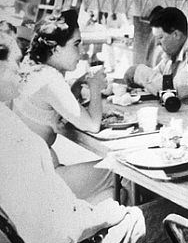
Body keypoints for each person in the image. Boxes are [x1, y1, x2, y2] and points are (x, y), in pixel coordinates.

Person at [0, 30, 181, 243]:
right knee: (182, 215)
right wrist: (104, 216)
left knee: (128, 199)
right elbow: (54, 236)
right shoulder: (10, 142)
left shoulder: (5, 119)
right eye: (15, 62)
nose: (20, 70)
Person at [13, 10, 115, 204]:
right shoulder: (50, 78)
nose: (82, 52)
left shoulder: (32, 67)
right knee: (120, 175)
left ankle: (91, 227)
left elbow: (52, 108)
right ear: (56, 49)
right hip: (43, 180)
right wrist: (95, 88)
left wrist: (76, 86)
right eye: (76, 44)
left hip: (28, 176)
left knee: (113, 194)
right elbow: (92, 125)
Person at [124, 6, 188, 114]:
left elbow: (174, 89)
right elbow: (154, 80)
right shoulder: (171, 56)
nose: (157, 43)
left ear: (176, 34)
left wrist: (139, 72)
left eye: (160, 38)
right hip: (186, 116)